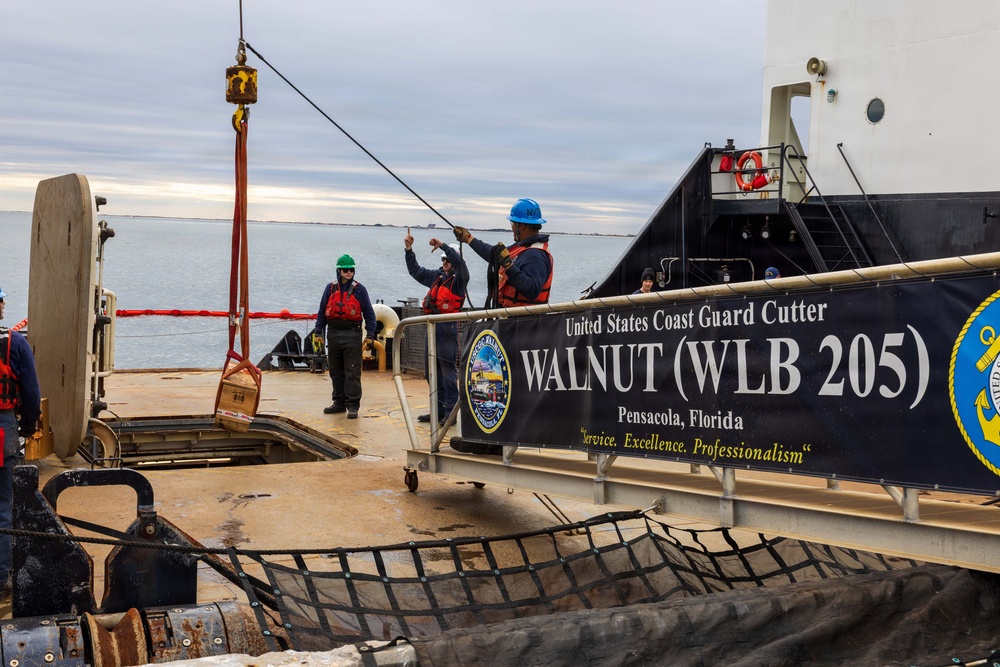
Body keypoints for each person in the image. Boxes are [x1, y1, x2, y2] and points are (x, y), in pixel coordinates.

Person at [404, 230, 469, 426]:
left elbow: (461, 265)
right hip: (432, 328)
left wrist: (443, 246)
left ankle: (451, 412)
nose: (445, 262)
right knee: (430, 371)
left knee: (447, 372)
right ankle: (438, 410)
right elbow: (416, 271)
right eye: (443, 259)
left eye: (448, 259)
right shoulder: (437, 276)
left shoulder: (459, 281)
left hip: (447, 329)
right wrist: (409, 250)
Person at [0, 285, 40, 598]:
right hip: (3, 431)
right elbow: (30, 391)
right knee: (4, 506)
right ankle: (1, 577)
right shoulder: (14, 344)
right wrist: (28, 425)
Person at [452, 198, 553, 308]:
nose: (512, 228)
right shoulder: (522, 248)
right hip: (510, 318)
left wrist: (509, 266)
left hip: (521, 321)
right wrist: (469, 239)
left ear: (521, 226)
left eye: (513, 223)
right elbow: (494, 254)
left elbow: (532, 290)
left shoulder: (535, 255)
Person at [313, 255, 376, 420]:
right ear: (339, 271)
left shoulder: (360, 290)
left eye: (351, 269)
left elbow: (369, 314)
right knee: (335, 371)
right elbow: (321, 312)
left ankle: (353, 405)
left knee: (352, 371)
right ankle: (338, 402)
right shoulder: (330, 288)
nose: (349, 272)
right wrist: (318, 332)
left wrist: (370, 335)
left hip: (352, 334)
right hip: (333, 333)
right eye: (345, 270)